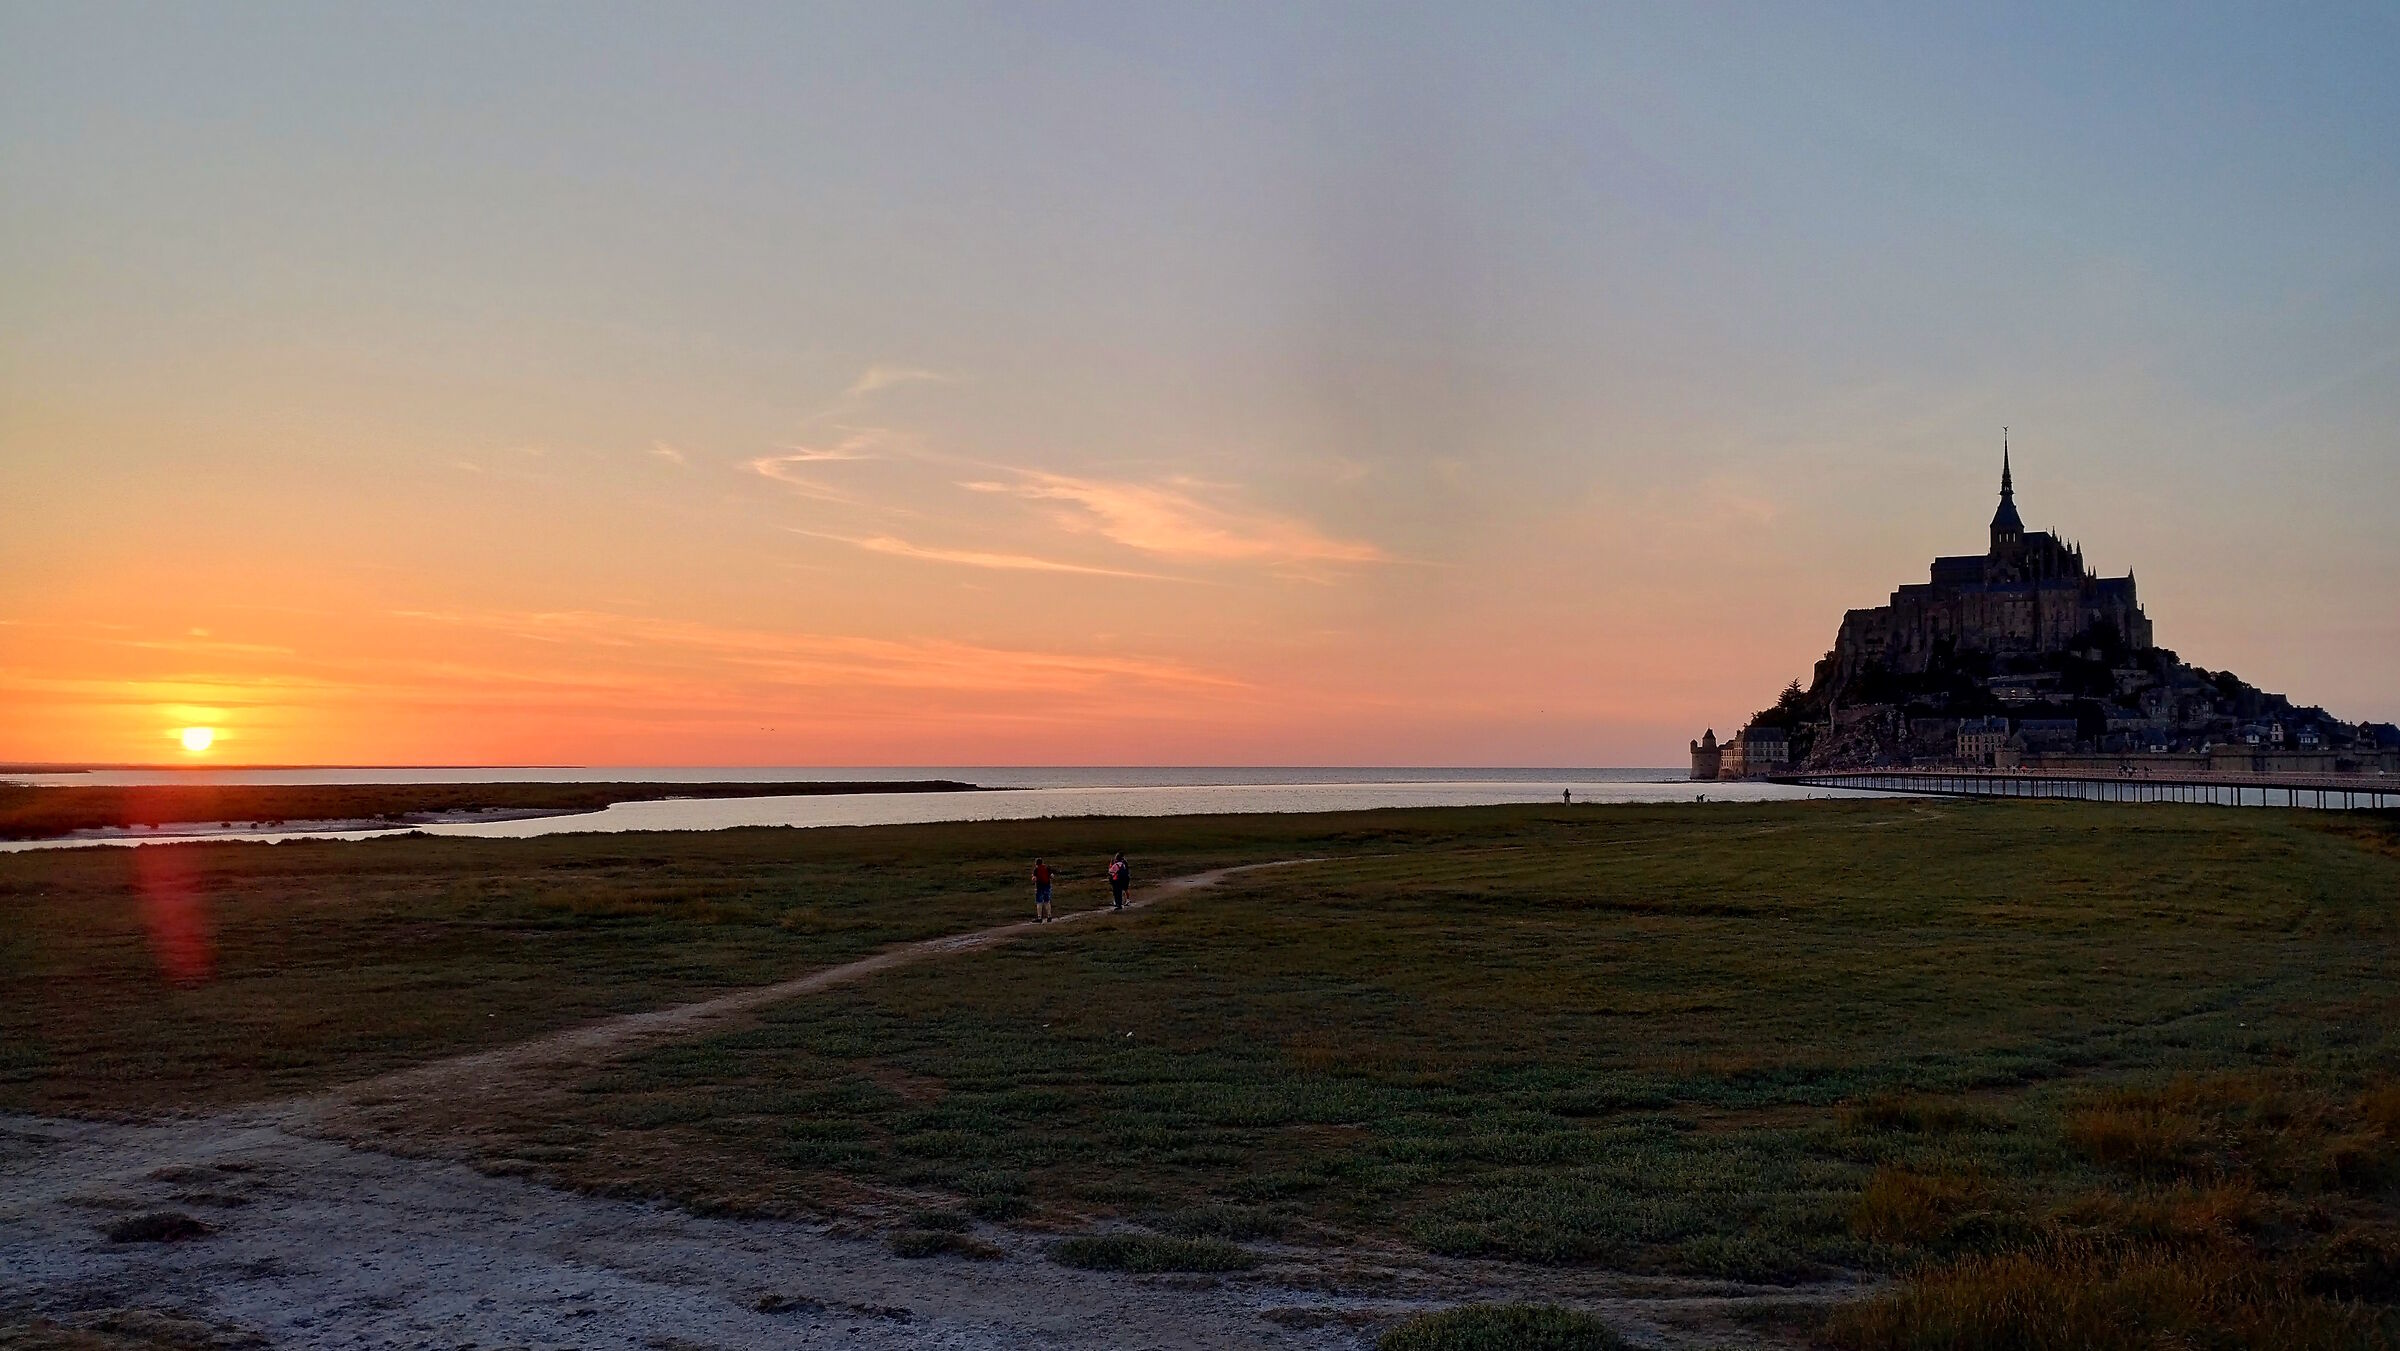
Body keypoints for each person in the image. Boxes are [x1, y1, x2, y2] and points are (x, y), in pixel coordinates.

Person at [1031, 857, 1054, 922]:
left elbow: (1034, 879)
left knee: (1039, 902)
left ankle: (1039, 917)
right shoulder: (1047, 868)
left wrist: (1034, 880)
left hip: (1039, 887)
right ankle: (1049, 916)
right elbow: (1052, 876)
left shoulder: (1036, 869)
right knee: (1047, 901)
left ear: (1036, 863)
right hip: (1047, 886)